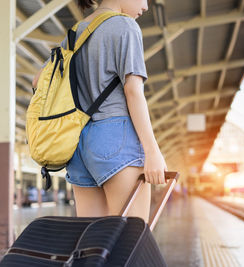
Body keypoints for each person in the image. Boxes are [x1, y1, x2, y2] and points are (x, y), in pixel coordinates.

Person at [31, 0, 167, 223]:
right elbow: (133, 90)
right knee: (129, 239)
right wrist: (153, 152)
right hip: (115, 138)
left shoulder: (74, 33)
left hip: (77, 144)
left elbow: (38, 81)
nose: (145, 6)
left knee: (93, 243)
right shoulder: (125, 25)